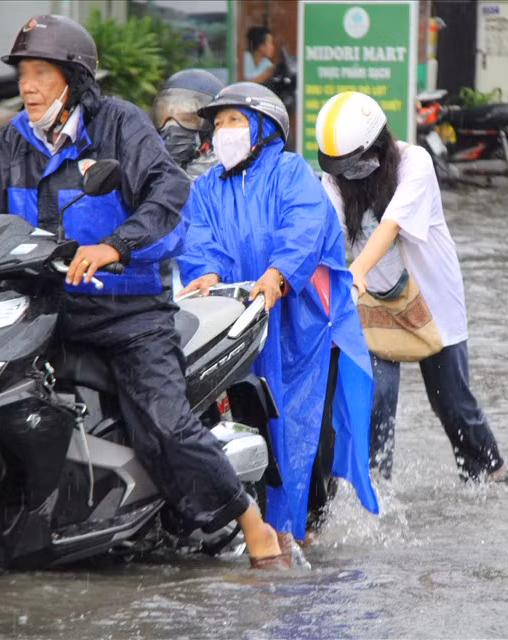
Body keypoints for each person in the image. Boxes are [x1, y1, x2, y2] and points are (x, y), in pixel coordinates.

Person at [0, 14, 290, 570]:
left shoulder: (119, 125)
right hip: (43, 309)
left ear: (72, 79)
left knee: (165, 427)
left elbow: (167, 195)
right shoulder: (15, 138)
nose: (27, 86)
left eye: (40, 73)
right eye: (23, 72)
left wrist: (115, 246)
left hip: (128, 314)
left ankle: (250, 521)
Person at [177, 82, 379, 543]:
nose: (222, 131)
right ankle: (251, 526)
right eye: (219, 122)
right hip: (237, 324)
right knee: (246, 426)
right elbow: (197, 239)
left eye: (233, 121)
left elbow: (305, 227)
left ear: (263, 128)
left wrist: (278, 273)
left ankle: (303, 532)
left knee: (303, 431)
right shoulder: (206, 187)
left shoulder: (291, 173)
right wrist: (205, 273)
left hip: (299, 329)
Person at [314, 91, 508, 484]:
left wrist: (356, 271)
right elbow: (326, 233)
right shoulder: (333, 180)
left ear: (376, 145)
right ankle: (374, 490)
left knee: (452, 403)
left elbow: (391, 227)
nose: (348, 173)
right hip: (373, 300)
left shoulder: (414, 162)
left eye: (354, 163)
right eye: (341, 167)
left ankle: (490, 473)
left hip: (433, 301)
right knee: (375, 400)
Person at [150, 68, 224, 180]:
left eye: (187, 118)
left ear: (214, 124)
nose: (172, 126)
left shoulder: (226, 180)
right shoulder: (144, 172)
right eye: (163, 115)